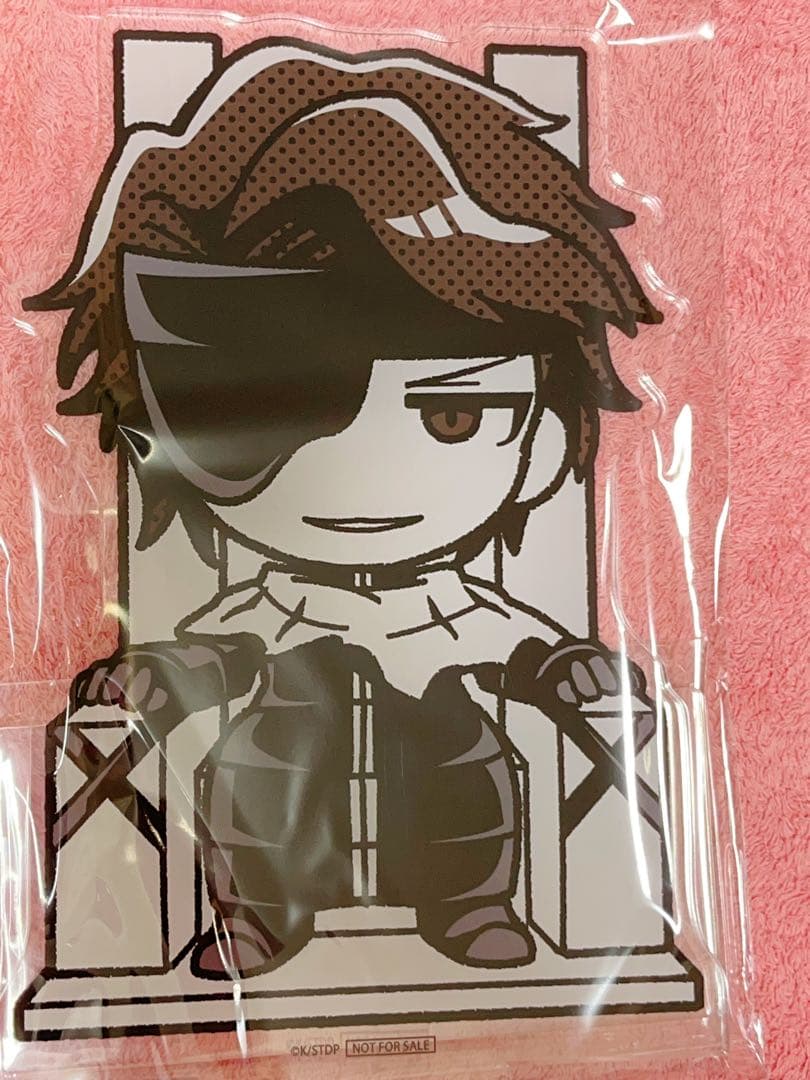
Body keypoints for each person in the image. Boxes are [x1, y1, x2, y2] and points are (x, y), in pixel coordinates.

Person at [32, 41, 658, 978]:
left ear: (538, 445)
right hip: (273, 821)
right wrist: (156, 679)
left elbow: (521, 653)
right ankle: (258, 918)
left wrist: (565, 670)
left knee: (470, 807)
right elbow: (215, 655)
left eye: (453, 416)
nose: (361, 472)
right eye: (277, 413)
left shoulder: (452, 607)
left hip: (448, 815)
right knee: (248, 806)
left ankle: (470, 905)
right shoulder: (275, 604)